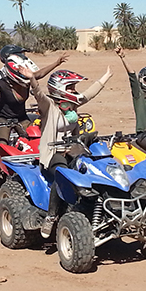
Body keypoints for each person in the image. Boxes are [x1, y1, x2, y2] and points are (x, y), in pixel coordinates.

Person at [27, 66, 113, 237]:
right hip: (53, 154)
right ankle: (51, 217)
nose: (74, 90)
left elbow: (89, 93)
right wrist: (32, 79)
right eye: (70, 87)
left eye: (74, 86)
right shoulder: (49, 106)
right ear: (59, 88)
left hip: (73, 151)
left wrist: (106, 76)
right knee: (62, 174)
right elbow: (39, 94)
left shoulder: (72, 104)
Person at [0, 45, 68, 177]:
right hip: (3, 119)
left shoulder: (27, 80)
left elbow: (40, 74)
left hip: (21, 117)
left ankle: (38, 167)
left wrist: (57, 62)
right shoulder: (1, 83)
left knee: (37, 138)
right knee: (2, 147)